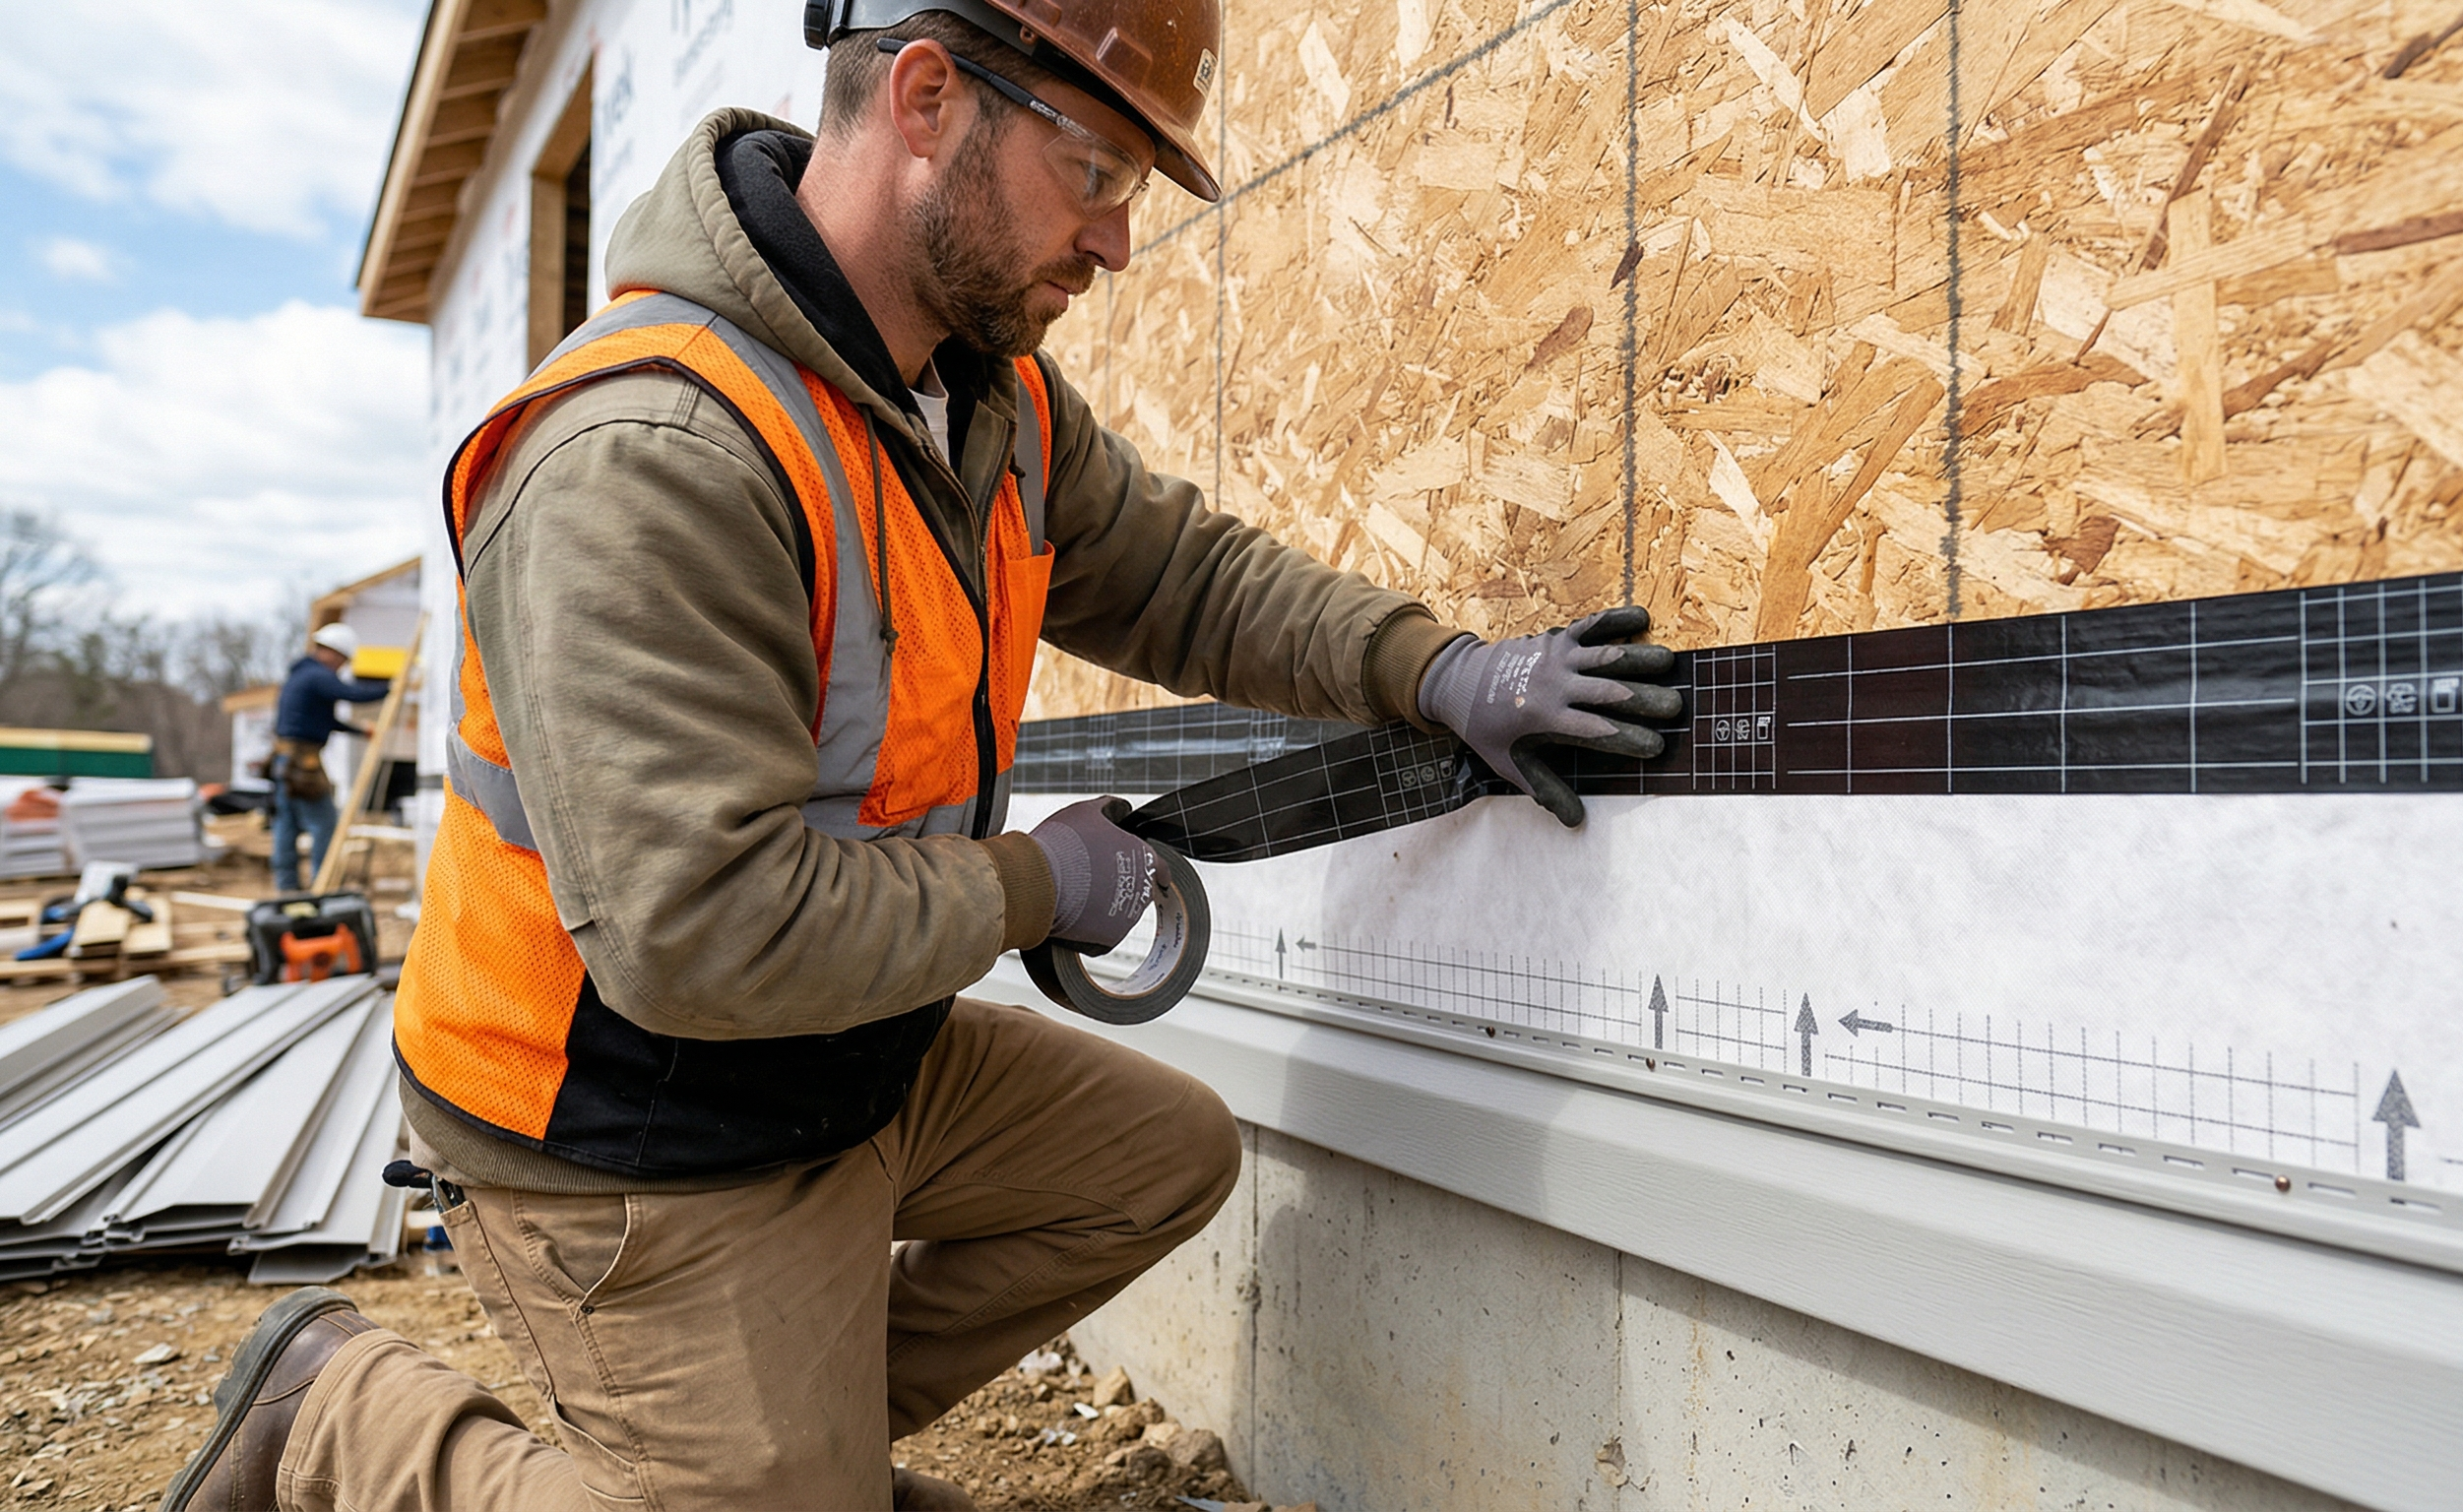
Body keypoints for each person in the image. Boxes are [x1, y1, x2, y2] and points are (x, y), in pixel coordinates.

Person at [164, 3, 1677, 1509]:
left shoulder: (980, 397)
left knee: (1162, 1158)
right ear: (932, 99)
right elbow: (699, 938)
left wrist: (1441, 672)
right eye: (1095, 174)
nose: (1116, 243)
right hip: (631, 1130)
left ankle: (764, 1449)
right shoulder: (651, 452)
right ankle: (338, 1415)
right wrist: (1035, 885)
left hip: (847, 1056)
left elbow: (1182, 580)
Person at [266, 621, 390, 894]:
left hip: (285, 760)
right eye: (343, 661)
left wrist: (358, 731)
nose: (341, 668)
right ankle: (323, 886)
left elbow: (325, 721)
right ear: (332, 652)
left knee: (286, 825)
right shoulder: (317, 675)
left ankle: (286, 888)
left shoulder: (301, 675)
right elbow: (353, 694)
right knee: (324, 823)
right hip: (302, 763)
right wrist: (392, 685)